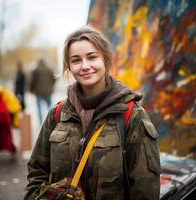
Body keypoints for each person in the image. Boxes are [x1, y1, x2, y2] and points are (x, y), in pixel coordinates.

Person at [25, 26, 161, 200]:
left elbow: (145, 191)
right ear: (69, 66)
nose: (85, 66)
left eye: (92, 57)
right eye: (76, 60)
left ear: (105, 59)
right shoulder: (58, 114)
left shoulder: (131, 116)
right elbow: (37, 172)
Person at [29, 58, 55, 124]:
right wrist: (51, 86)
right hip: (48, 92)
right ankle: (51, 121)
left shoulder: (36, 70)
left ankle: (41, 122)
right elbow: (54, 79)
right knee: (50, 107)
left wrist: (31, 89)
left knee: (39, 108)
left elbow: (33, 81)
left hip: (38, 92)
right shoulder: (49, 69)